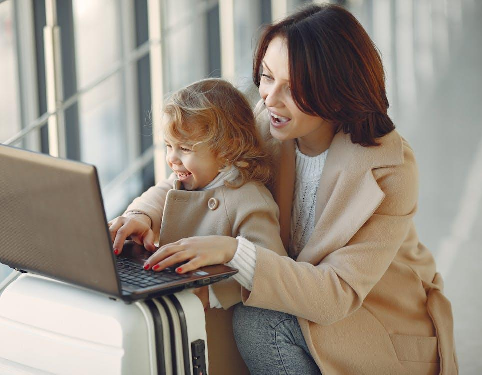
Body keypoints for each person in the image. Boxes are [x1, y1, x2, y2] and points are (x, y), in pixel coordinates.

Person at [114, 4, 459, 375]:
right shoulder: (269, 125)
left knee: (259, 322)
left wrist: (235, 251)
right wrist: (139, 215)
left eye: (292, 88)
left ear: (336, 90)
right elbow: (189, 178)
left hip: (374, 323)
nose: (269, 98)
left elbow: (335, 294)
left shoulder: (390, 168)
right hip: (299, 299)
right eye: (266, 76)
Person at [108, 78, 284, 373]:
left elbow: (270, 268)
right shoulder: (189, 178)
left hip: (216, 336)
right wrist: (140, 215)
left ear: (228, 149)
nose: (172, 158)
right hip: (180, 324)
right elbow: (163, 191)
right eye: (168, 146)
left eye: (185, 148)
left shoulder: (249, 199)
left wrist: (211, 293)